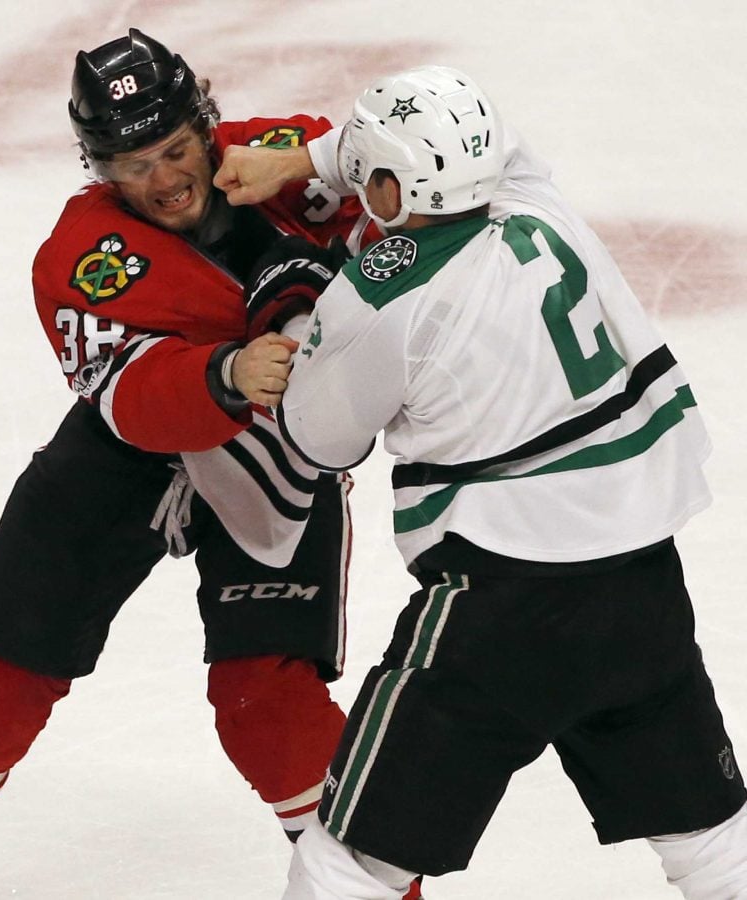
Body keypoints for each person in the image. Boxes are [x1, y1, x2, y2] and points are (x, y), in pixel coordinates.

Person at [216, 65, 747, 899]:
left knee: (351, 860)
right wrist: (306, 161)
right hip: (641, 583)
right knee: (714, 844)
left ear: (391, 184)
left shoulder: (381, 293)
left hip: (501, 607)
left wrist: (293, 312)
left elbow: (319, 442)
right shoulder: (534, 197)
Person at [0, 25, 386, 878]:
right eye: (132, 165)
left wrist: (318, 162)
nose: (164, 180)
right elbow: (134, 399)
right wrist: (226, 373)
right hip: (126, 456)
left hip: (280, 461)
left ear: (206, 124)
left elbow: (420, 181)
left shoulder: (279, 162)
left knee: (266, 703)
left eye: (176, 148)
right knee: (3, 670)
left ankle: (370, 887)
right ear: (98, 169)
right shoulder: (81, 255)